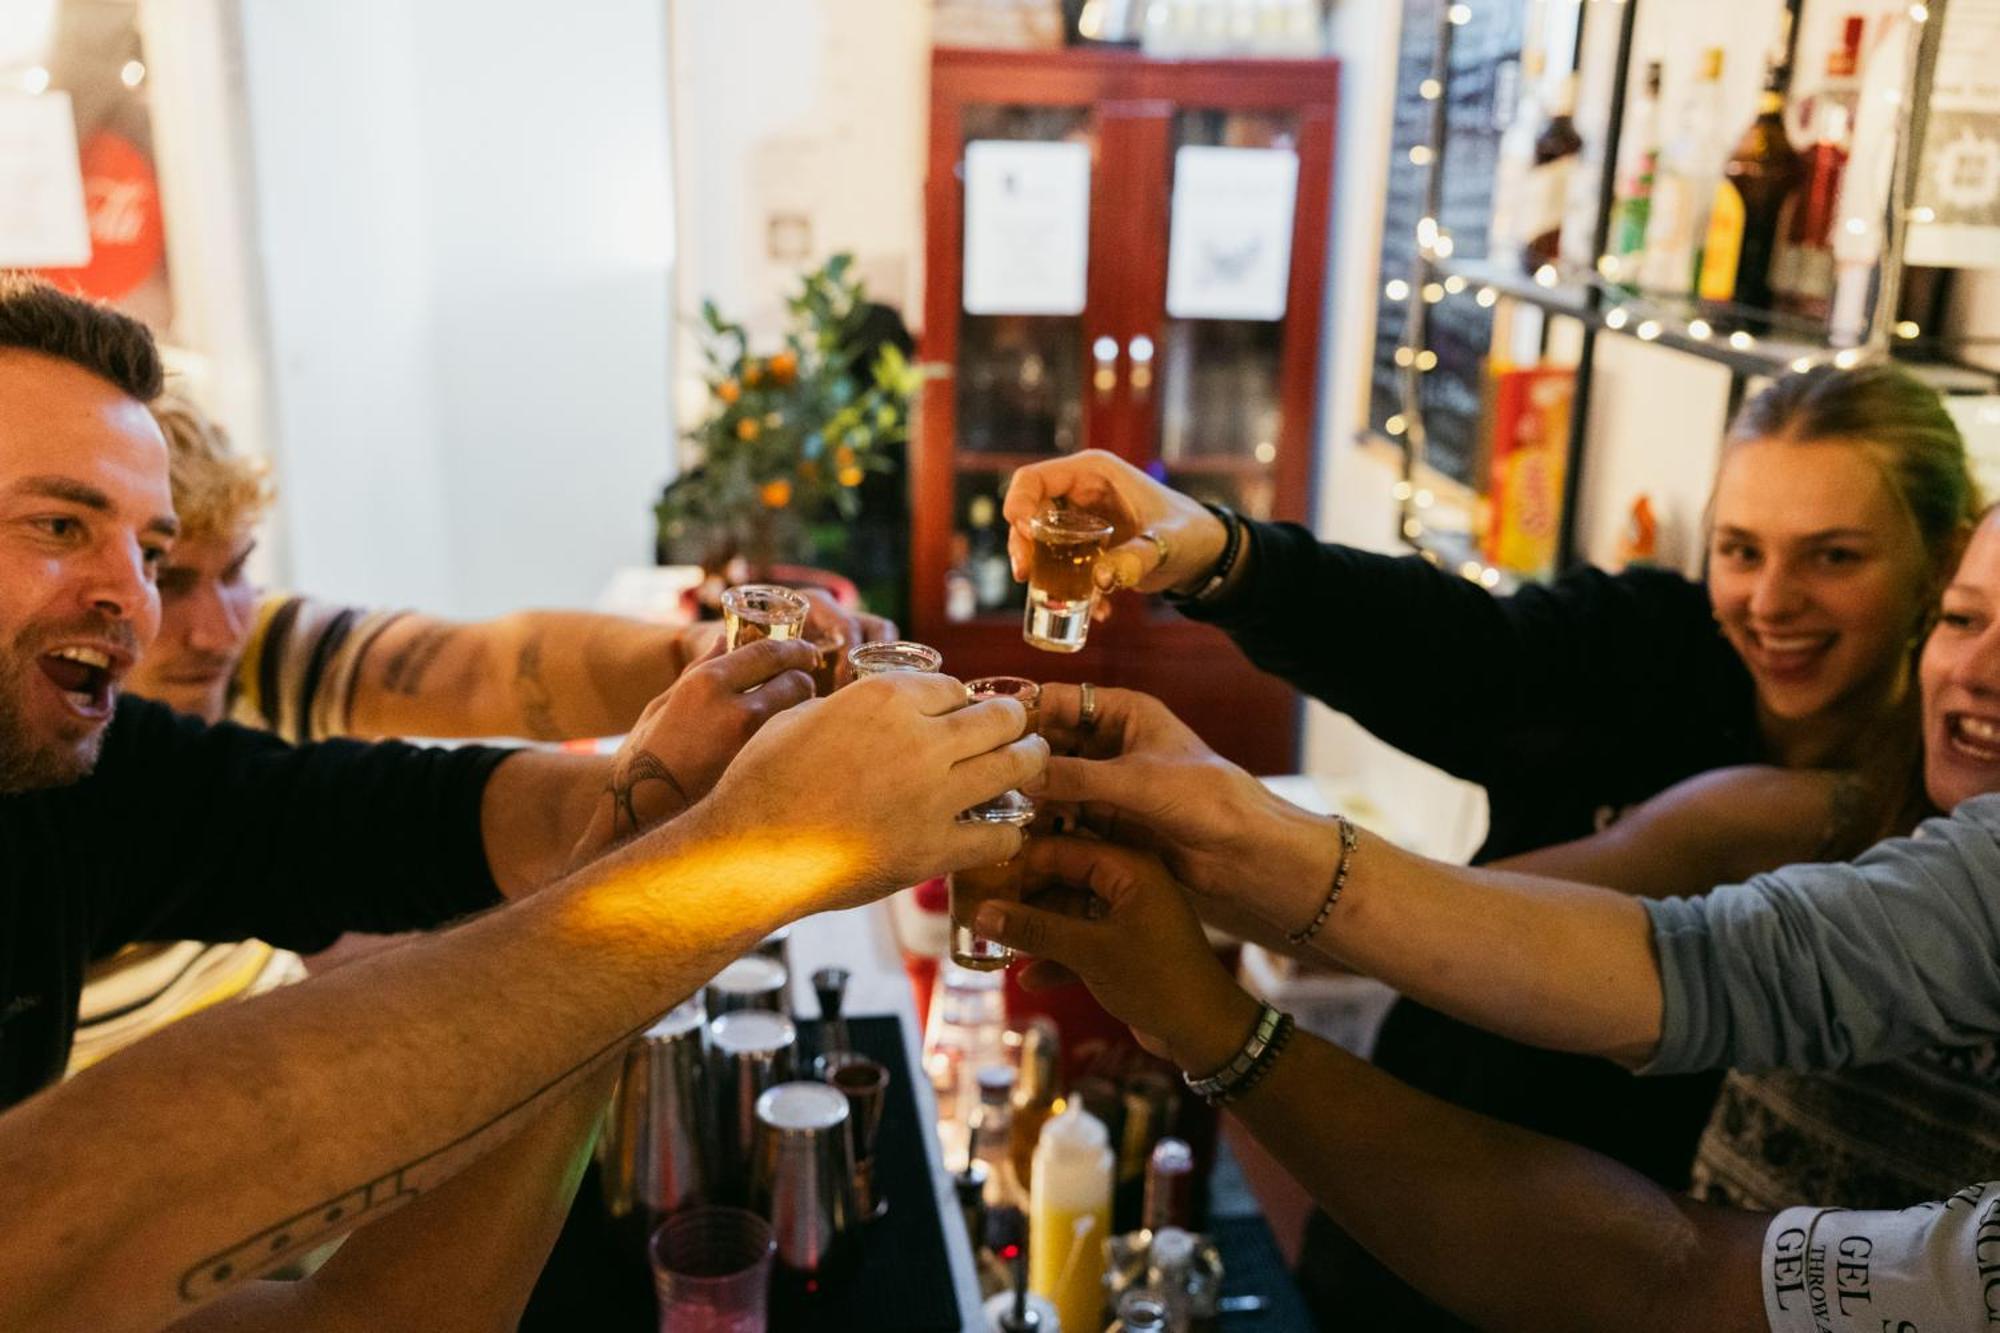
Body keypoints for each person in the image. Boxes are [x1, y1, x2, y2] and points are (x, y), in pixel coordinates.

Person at [0, 269, 1051, 1327]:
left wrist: (664, 791)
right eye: (55, 524)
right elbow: (91, 1189)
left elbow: (398, 794)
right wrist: (739, 859)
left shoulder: (89, 774)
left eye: (153, 552)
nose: (144, 602)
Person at [1003, 364, 1978, 1324]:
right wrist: (1220, 553)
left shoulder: (1940, 834)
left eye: (1832, 557)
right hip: (1412, 1170)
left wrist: (1215, 901)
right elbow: (1451, 649)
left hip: (1618, 1258)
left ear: (1936, 559)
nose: (1770, 601)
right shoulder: (1653, 644)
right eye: (1738, 550)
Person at [974, 833, 1995, 1333]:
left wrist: (1213, 1012)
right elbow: (1692, 962)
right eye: (1963, 618)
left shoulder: (1801, 801)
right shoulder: (1960, 877)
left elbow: (1671, 1278)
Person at [133, 392, 892, 743]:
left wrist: (706, 654)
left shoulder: (260, 649)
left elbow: (484, 668)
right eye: (166, 581)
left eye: (235, 571)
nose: (219, 630)